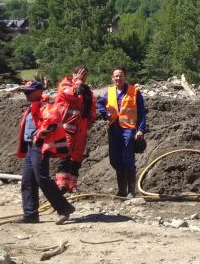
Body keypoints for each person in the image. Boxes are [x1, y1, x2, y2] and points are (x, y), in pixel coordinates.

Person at [13, 81, 76, 225]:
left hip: (40, 146)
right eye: (25, 91)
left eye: (29, 91)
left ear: (39, 91)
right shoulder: (32, 107)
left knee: (42, 178)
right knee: (27, 180)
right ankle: (30, 214)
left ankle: (65, 208)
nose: (26, 93)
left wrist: (40, 134)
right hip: (31, 146)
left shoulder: (46, 106)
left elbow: (52, 120)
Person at [96, 66, 147, 198]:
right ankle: (122, 190)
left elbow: (141, 112)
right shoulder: (110, 92)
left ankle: (131, 191)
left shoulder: (134, 92)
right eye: (116, 76)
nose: (118, 78)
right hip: (114, 129)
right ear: (112, 78)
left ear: (125, 77)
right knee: (115, 160)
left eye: (121, 75)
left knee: (128, 158)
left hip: (128, 129)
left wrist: (140, 129)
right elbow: (99, 103)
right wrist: (105, 113)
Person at [52, 65, 97, 193]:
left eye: (85, 75)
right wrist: (77, 82)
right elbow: (72, 94)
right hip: (66, 127)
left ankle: (72, 185)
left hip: (80, 128)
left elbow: (92, 103)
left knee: (77, 157)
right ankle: (61, 185)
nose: (83, 77)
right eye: (81, 74)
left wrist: (92, 117)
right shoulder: (65, 85)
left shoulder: (86, 90)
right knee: (65, 155)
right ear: (74, 74)